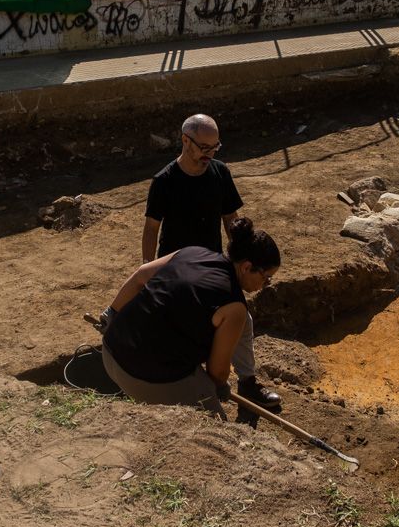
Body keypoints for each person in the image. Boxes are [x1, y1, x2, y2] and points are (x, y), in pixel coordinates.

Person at [129, 113, 281, 409]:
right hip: (176, 272)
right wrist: (148, 269)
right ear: (185, 141)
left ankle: (247, 382)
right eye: (203, 148)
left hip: (213, 266)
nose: (209, 155)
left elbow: (231, 220)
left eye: (215, 148)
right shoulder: (164, 181)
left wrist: (247, 259)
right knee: (184, 329)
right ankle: (185, 386)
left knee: (242, 322)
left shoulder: (220, 173)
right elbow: (151, 228)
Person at [101, 217, 280, 416]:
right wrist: (216, 388)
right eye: (266, 278)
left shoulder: (192, 252)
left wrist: (112, 313)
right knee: (215, 430)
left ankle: (247, 383)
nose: (266, 285)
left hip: (110, 351)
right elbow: (217, 372)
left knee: (241, 322)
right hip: (142, 375)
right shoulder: (233, 307)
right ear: (246, 267)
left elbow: (141, 276)